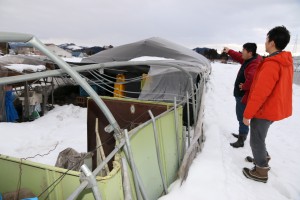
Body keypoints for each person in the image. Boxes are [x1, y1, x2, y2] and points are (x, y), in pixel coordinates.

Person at [242, 26, 293, 183]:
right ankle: (263, 156)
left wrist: (247, 114)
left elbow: (260, 93)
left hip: (265, 109)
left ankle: (261, 170)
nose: (265, 42)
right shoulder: (284, 61)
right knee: (260, 136)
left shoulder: (272, 64)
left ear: (272, 42)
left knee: (256, 139)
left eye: (266, 39)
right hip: (274, 107)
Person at [223, 43, 262, 148]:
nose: (241, 52)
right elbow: (238, 56)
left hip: (243, 96)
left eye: (243, 50)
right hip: (240, 94)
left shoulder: (254, 64)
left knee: (242, 117)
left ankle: (241, 139)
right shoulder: (248, 59)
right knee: (241, 116)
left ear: (250, 53)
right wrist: (229, 51)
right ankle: (242, 134)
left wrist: (244, 86)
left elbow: (253, 78)